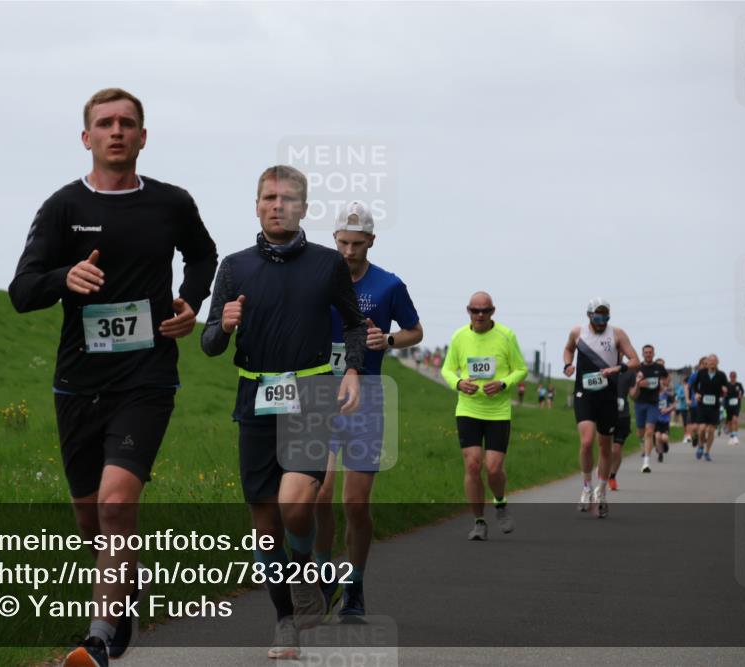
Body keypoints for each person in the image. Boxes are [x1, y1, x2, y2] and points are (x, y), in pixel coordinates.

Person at [8, 88, 219, 667]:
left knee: (118, 502)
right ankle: (126, 591)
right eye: (105, 123)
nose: (117, 131)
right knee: (88, 518)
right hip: (78, 382)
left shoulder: (172, 203)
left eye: (128, 123)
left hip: (147, 376)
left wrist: (190, 300)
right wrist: (63, 278)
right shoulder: (62, 208)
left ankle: (98, 637)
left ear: (143, 137)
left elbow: (204, 256)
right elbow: (21, 291)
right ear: (87, 138)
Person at [200, 165, 365, 659]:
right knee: (266, 524)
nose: (278, 205)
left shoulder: (326, 264)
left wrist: (353, 371)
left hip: (311, 393)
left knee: (296, 501)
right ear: (256, 205)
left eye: (288, 199)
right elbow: (208, 343)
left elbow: (355, 325)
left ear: (304, 209)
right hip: (254, 398)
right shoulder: (233, 266)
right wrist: (224, 326)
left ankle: (306, 574)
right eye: (269, 197)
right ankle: (286, 619)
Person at [314, 201, 423, 619]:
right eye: (342, 242)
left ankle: (354, 583)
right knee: (319, 494)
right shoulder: (319, 277)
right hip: (322, 396)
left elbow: (415, 330)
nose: (348, 251)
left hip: (368, 399)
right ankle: (325, 576)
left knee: (354, 504)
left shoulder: (389, 285)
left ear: (371, 242)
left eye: (357, 244)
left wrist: (390, 342)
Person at [441, 292, 528, 539]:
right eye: (475, 310)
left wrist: (503, 384)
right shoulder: (459, 336)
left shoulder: (506, 336)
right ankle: (479, 521)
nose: (480, 315)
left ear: (493, 311)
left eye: (485, 311)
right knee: (472, 463)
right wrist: (459, 383)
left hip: (498, 411)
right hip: (468, 408)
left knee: (493, 467)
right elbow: (447, 369)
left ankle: (500, 502)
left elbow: (521, 369)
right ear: (468, 310)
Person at [563, 298, 639, 518]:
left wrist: (618, 368)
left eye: (605, 317)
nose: (601, 321)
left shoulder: (617, 334)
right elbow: (568, 350)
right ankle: (586, 487)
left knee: (605, 446)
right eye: (597, 317)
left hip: (608, 395)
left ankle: (601, 491)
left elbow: (635, 360)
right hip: (584, 393)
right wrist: (568, 364)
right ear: (589, 316)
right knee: (586, 442)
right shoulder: (577, 332)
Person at [632, 345, 669, 473]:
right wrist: (638, 384)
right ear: (642, 354)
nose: (648, 354)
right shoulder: (638, 368)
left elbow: (666, 377)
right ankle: (643, 446)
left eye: (650, 352)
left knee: (649, 432)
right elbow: (633, 389)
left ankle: (646, 462)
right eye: (646, 352)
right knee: (641, 432)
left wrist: (663, 386)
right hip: (639, 402)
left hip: (653, 403)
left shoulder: (659, 368)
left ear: (653, 353)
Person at [693, 354, 729, 462]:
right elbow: (695, 385)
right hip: (703, 405)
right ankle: (700, 445)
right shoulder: (701, 373)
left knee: (711, 430)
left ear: (717, 363)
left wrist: (724, 389)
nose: (712, 363)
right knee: (702, 429)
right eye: (710, 361)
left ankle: (707, 452)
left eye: (714, 361)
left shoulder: (721, 375)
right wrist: (696, 394)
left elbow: (726, 388)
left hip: (714, 406)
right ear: (707, 363)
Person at [608, 367, 637, 491]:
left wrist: (638, 384)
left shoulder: (629, 373)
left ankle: (612, 476)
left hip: (622, 415)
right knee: (605, 447)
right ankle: (603, 472)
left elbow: (633, 395)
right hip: (605, 414)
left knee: (617, 449)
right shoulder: (604, 369)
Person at [654, 375, 675, 462]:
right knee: (658, 436)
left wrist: (667, 409)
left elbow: (674, 405)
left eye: (661, 384)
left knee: (664, 438)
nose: (660, 386)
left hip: (665, 420)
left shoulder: (667, 394)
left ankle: (665, 444)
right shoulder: (653, 395)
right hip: (656, 420)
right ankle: (660, 454)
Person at [687, 358, 706, 448]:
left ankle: (700, 440)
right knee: (695, 426)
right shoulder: (695, 375)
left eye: (707, 363)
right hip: (695, 403)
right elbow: (687, 387)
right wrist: (688, 399)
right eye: (703, 363)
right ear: (700, 365)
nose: (705, 365)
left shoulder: (711, 376)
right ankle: (695, 436)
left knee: (703, 425)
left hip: (706, 404)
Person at [726, 371, 745, 445]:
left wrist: (741, 396)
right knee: (730, 422)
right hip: (728, 405)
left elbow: (742, 392)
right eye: (732, 376)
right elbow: (724, 393)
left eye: (734, 376)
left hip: (737, 404)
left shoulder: (739, 384)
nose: (733, 378)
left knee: (735, 420)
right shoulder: (727, 384)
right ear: (730, 377)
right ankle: (731, 436)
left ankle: (735, 436)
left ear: (736, 377)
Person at [674, 373, 691, 439]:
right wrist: (685, 396)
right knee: (685, 421)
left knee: (689, 421)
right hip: (683, 407)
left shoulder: (691, 387)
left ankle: (689, 435)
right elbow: (678, 396)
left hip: (690, 407)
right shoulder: (681, 388)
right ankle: (685, 434)